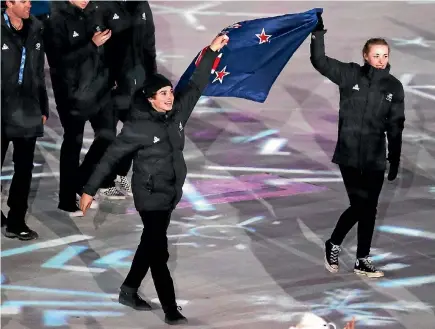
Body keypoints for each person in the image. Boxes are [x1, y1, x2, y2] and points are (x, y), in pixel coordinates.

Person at [79, 33, 229, 325]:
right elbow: (110, 157)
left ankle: (128, 289)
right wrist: (89, 190)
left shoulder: (177, 113)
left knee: (150, 244)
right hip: (150, 195)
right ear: (150, 99)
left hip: (171, 192)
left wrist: (211, 51)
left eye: (170, 91)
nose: (170, 96)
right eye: (163, 93)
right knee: (158, 251)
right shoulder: (138, 127)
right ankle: (171, 309)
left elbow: (197, 83)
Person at [310, 13, 405, 278]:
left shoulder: (393, 87)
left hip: (375, 157)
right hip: (350, 155)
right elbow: (319, 62)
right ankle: (334, 243)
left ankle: (362, 259)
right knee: (361, 205)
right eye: (376, 55)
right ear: (365, 56)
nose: (381, 60)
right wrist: (317, 35)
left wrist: (394, 157)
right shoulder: (349, 74)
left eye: (385, 55)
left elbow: (396, 124)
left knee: (369, 208)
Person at [43, 0, 125, 218]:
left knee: (108, 137)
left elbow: (111, 48)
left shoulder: (97, 11)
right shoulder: (55, 18)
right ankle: (67, 198)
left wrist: (114, 77)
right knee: (73, 142)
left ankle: (80, 182)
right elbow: (58, 61)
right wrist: (91, 44)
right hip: (73, 94)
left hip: (102, 90)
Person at [92, 0, 157, 197]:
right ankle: (103, 181)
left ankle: (120, 174)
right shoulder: (101, 6)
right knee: (107, 136)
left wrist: (152, 80)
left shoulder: (141, 5)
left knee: (135, 132)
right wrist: (105, 80)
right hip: (111, 85)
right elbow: (97, 48)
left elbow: (149, 43)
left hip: (137, 82)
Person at [1, 0, 49, 240]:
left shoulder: (36, 28)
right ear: (8, 3)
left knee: (24, 169)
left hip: (27, 110)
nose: (29, 4)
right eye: (22, 1)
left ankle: (16, 219)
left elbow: (39, 72)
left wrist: (44, 106)